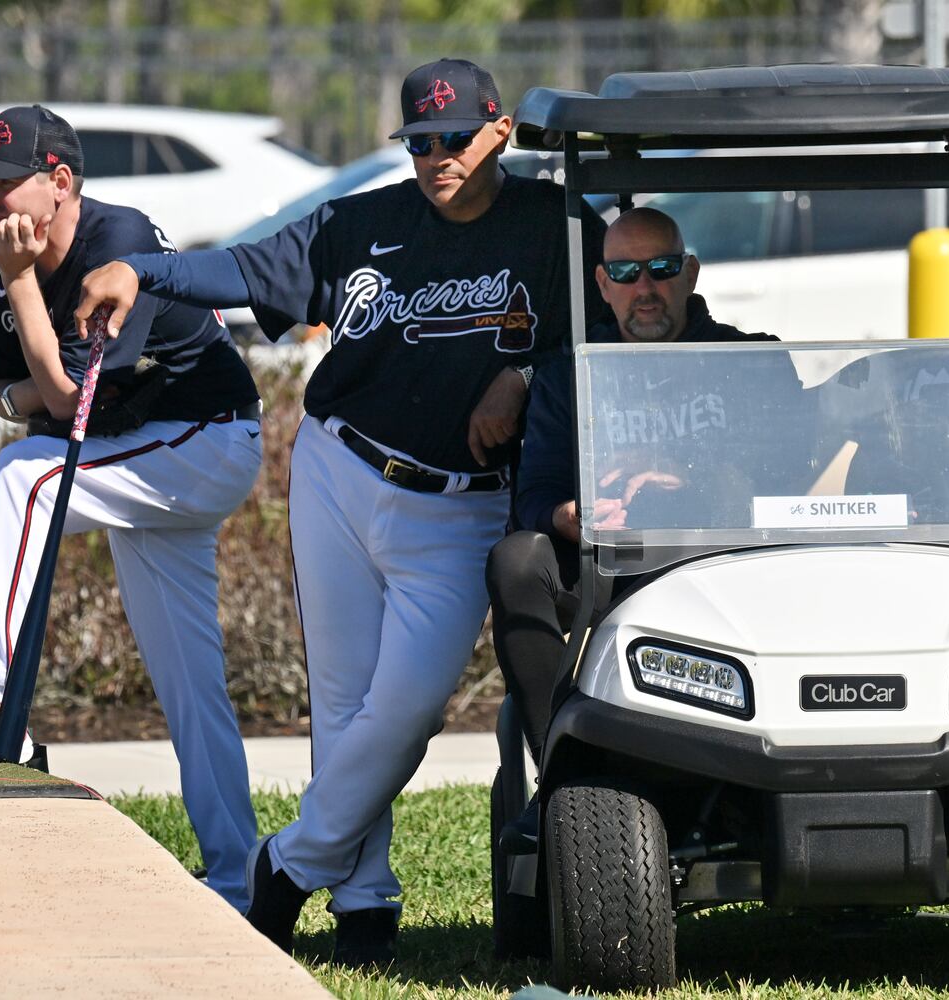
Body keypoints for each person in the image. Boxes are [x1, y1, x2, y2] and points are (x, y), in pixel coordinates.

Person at [73, 60, 607, 965]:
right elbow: (244, 266)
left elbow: (609, 330)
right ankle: (364, 902)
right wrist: (140, 270)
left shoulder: (553, 226)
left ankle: (286, 868)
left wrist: (522, 373)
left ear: (500, 132)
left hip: (463, 502)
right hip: (341, 470)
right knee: (345, 702)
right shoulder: (362, 222)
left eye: (456, 138)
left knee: (407, 712)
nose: (438, 157)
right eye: (420, 142)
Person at [0, 106, 264, 912]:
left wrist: (23, 303)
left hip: (206, 438)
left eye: (5, 182)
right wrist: (24, 378)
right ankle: (238, 876)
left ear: (59, 181)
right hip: (141, 456)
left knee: (27, 476)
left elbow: (60, 400)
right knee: (190, 685)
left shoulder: (117, 240)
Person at [486, 207, 780, 847]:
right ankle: (562, 787)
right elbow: (536, 494)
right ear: (602, 283)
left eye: (661, 268)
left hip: (727, 568)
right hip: (609, 568)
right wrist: (571, 516)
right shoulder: (570, 372)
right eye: (625, 272)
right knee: (517, 559)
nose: (644, 287)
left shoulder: (751, 359)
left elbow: (782, 480)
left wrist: (683, 481)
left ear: (690, 273)